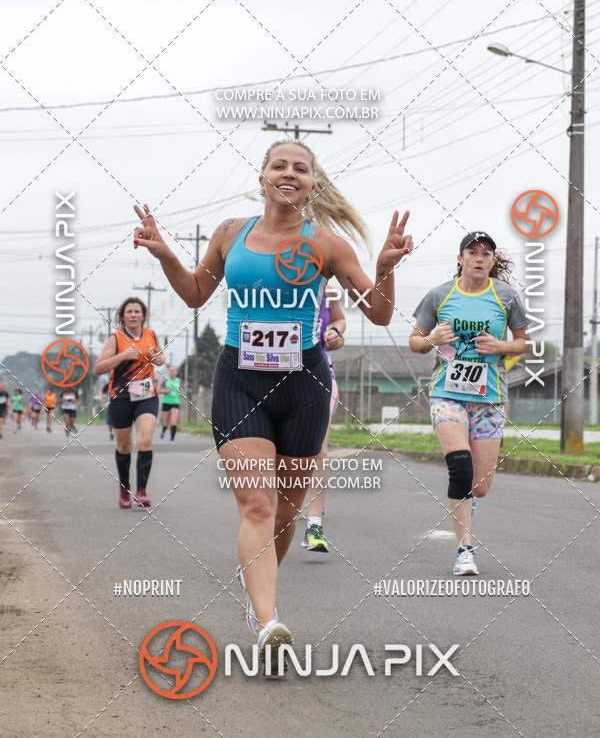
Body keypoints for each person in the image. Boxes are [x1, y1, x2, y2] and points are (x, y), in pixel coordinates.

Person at [133, 138, 412, 672]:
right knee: (258, 507)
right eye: (279, 165)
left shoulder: (327, 245)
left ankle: (258, 590)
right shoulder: (230, 234)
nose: (290, 174)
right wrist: (166, 252)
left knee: (285, 512)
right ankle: (267, 622)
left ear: (313, 183)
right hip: (239, 379)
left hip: (305, 384)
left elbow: (377, 313)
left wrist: (385, 265)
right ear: (262, 177)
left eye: (301, 169)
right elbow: (195, 294)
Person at [409, 231, 530, 577]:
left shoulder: (506, 297)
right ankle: (465, 548)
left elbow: (524, 344)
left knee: (480, 486)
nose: (479, 258)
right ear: (460, 258)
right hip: (447, 393)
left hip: (489, 398)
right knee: (459, 468)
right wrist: (432, 339)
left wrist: (499, 346)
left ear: (492, 261)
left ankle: (466, 500)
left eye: (486, 253)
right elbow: (415, 342)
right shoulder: (439, 295)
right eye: (472, 252)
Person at [94, 297, 165, 508]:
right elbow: (99, 368)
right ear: (123, 316)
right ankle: (124, 488)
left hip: (146, 395)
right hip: (121, 397)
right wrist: (122, 356)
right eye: (129, 312)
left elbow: (159, 355)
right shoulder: (116, 339)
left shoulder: (151, 335)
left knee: (145, 441)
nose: (133, 315)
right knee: (124, 445)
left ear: (143, 315)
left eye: (137, 311)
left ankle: (141, 491)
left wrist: (160, 359)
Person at [301, 286, 345, 553]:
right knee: (280, 455)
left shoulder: (327, 290)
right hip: (275, 376)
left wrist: (336, 333)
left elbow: (339, 320)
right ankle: (288, 502)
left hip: (319, 375)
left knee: (319, 450)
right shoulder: (269, 283)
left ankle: (314, 525)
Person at [159, 365, 181, 442]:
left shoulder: (179, 381)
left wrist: (182, 392)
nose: (172, 372)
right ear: (169, 372)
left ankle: (172, 439)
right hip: (166, 402)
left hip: (175, 402)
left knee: (174, 421)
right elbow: (159, 390)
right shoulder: (165, 380)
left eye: (173, 370)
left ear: (176, 372)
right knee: (166, 422)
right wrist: (165, 391)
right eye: (171, 371)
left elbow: (182, 390)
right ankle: (163, 430)